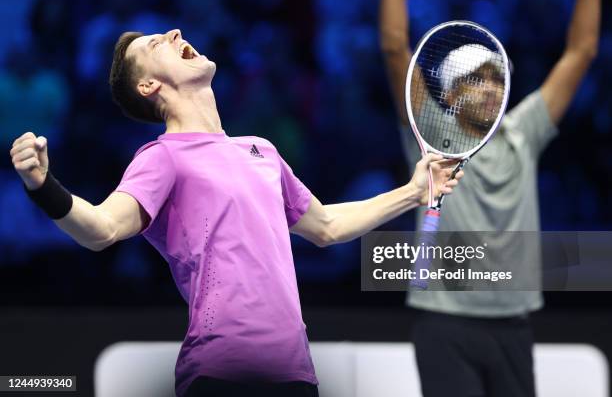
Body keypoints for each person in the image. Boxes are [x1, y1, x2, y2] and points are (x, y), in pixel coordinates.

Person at [9, 29, 463, 397]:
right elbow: (101, 229)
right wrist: (42, 186)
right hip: (220, 374)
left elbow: (327, 226)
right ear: (149, 86)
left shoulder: (261, 150)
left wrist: (414, 190)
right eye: (155, 44)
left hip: (296, 376)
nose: (174, 32)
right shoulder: (161, 157)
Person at [379, 0, 599, 396]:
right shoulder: (433, 135)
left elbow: (581, 50)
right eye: (475, 79)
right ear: (449, 93)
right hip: (444, 324)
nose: (491, 88)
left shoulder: (524, 133)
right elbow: (395, 47)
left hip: (514, 324)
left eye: (498, 79)